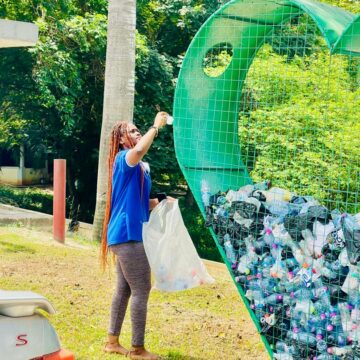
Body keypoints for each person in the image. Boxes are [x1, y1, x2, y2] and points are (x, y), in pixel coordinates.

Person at [100, 112, 171, 359]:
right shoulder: (124, 159)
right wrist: (155, 127)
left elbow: (143, 202)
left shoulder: (139, 169)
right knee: (142, 288)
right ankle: (138, 349)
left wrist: (162, 201)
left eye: (137, 129)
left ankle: (112, 342)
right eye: (131, 131)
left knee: (124, 289)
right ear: (121, 140)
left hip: (125, 234)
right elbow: (139, 150)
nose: (137, 132)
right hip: (127, 235)